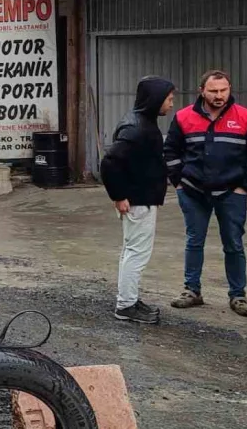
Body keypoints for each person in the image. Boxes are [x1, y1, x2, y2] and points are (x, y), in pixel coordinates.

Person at [163, 70, 247, 317]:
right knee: (194, 240)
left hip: (232, 192)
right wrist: (179, 182)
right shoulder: (183, 118)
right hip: (192, 191)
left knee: (233, 243)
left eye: (224, 90)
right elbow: (170, 152)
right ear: (201, 90)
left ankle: (238, 295)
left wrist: (244, 186)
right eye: (213, 91)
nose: (219, 95)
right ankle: (192, 291)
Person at [101, 76, 176, 324]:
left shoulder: (142, 122)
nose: (171, 104)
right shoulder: (137, 129)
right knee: (136, 254)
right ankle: (126, 305)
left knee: (130, 251)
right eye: (169, 99)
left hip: (140, 198)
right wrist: (119, 195)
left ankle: (129, 299)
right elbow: (110, 162)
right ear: (155, 99)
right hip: (138, 200)